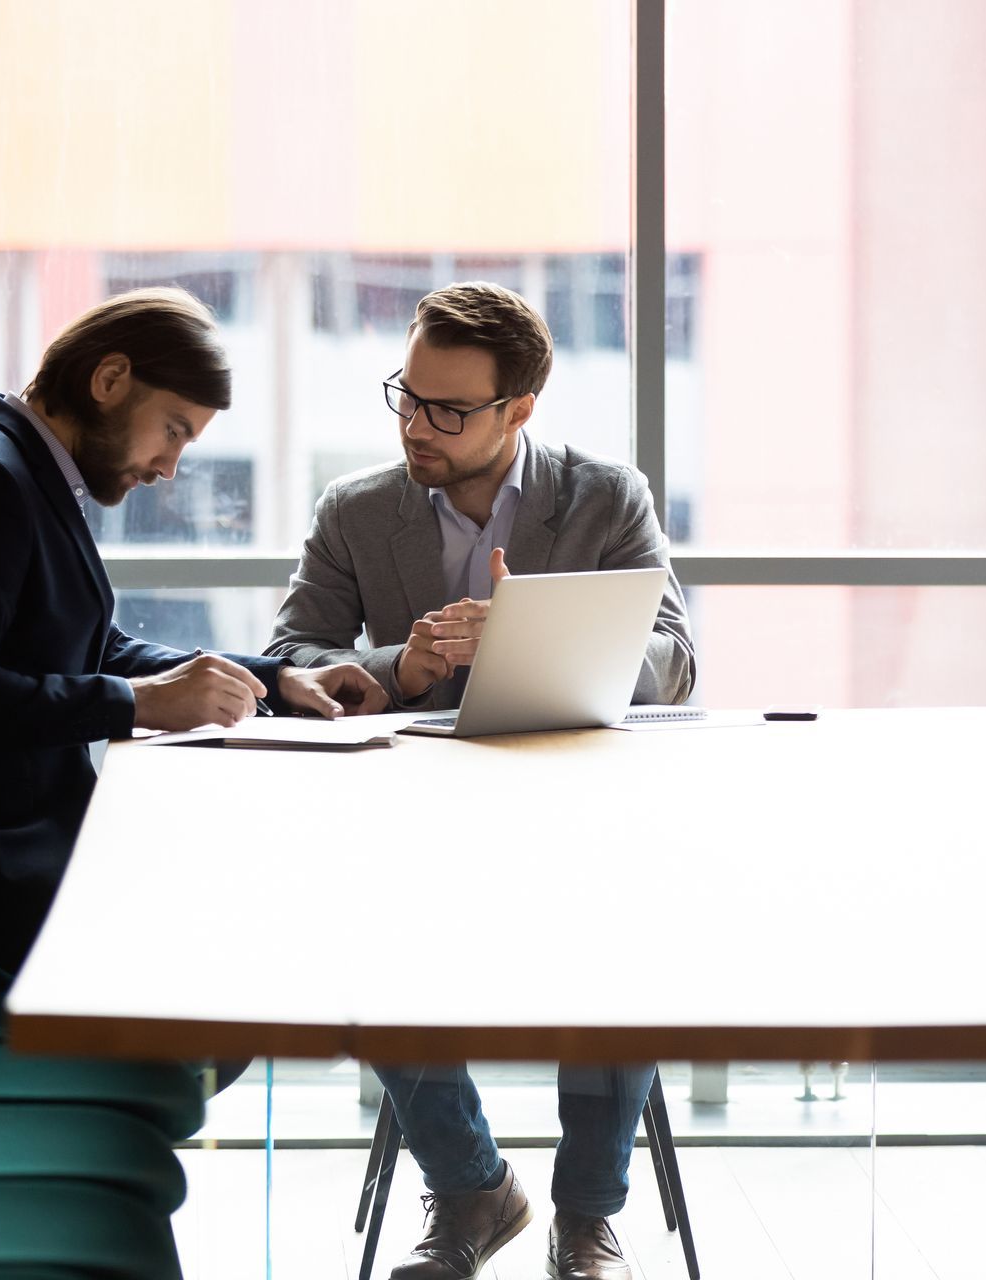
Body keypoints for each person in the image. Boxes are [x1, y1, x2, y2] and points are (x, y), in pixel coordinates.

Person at [267, 282, 694, 1280]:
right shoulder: (358, 510)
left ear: (520, 410)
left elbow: (674, 656)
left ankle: (586, 1215)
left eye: (449, 409)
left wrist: (540, 632)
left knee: (621, 936)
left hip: (577, 816)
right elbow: (290, 655)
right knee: (360, 930)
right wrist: (396, 670)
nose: (418, 424)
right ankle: (471, 1188)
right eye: (407, 396)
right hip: (411, 828)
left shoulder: (604, 497)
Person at [0, 288, 386, 973]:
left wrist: (276, 679)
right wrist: (137, 704)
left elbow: (90, 647)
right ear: (109, 380)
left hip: (11, 855)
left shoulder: (26, 476)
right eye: (174, 430)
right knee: (238, 937)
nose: (169, 469)